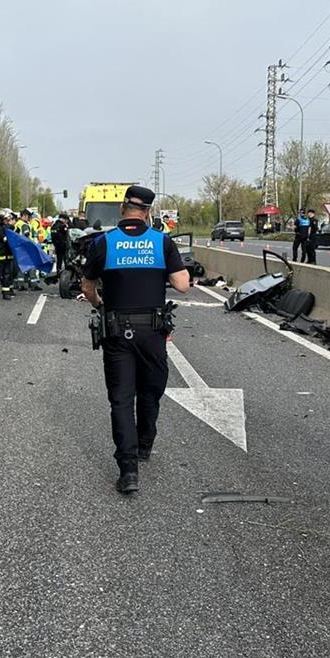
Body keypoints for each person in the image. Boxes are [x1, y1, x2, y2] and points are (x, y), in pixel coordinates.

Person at [81, 185, 191, 494]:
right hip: (153, 333)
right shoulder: (161, 242)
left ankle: (128, 471)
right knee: (151, 390)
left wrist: (100, 304)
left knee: (120, 398)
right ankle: (144, 444)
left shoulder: (103, 243)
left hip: (116, 331)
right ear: (148, 212)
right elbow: (182, 285)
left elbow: (87, 286)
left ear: (122, 210)